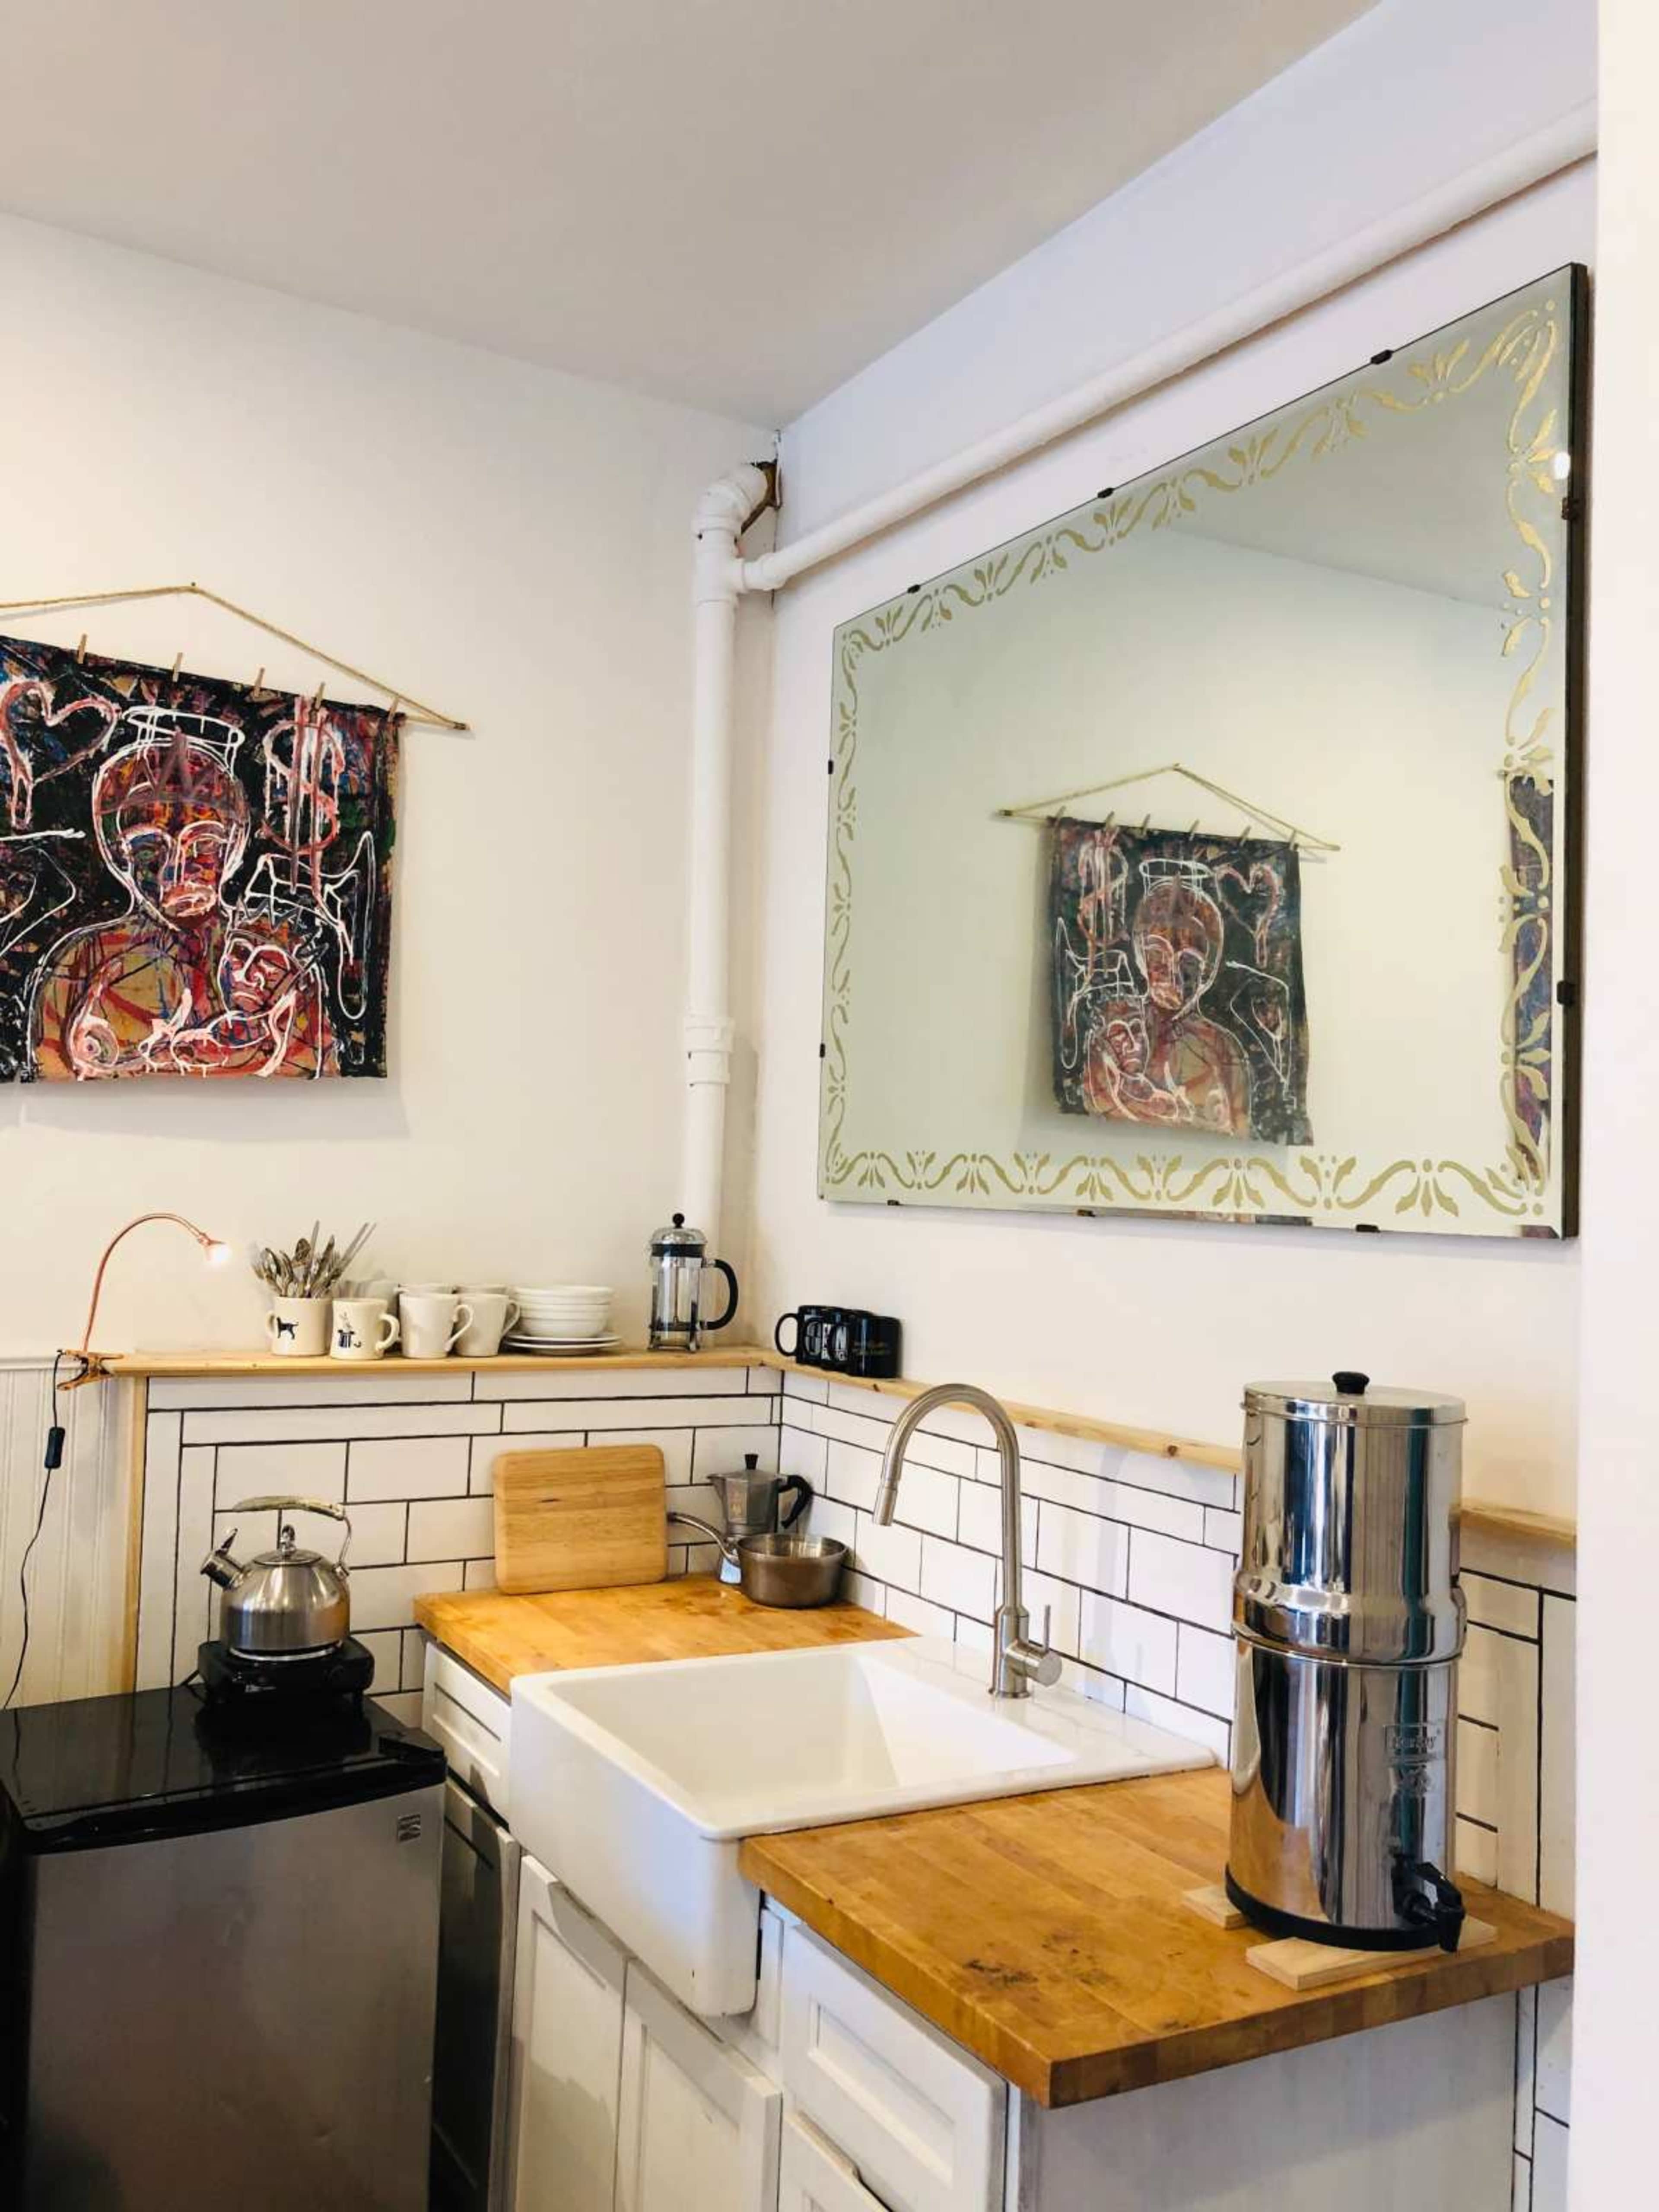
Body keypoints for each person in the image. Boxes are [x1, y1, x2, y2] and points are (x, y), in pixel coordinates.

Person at [29, 711, 335, 1080]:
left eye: (204, 844)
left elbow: (314, 1068)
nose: (176, 871)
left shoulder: (274, 959)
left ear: (234, 846)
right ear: (117, 856)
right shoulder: (84, 959)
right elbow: (48, 1073)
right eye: (148, 851)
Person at [1130, 864, 1252, 1133]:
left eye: (1188, 964)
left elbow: (1242, 1128)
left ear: (1207, 970)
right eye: (1158, 956)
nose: (1173, 977)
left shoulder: (1222, 1049)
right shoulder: (1120, 1031)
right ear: (1141, 955)